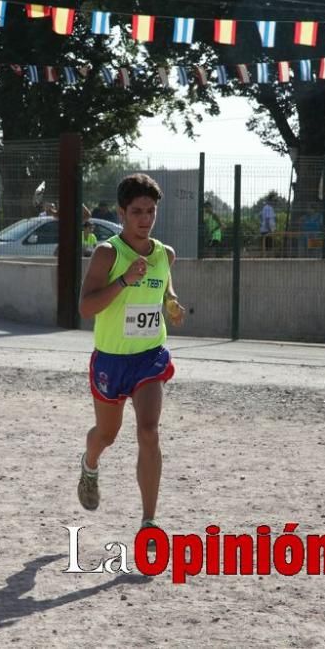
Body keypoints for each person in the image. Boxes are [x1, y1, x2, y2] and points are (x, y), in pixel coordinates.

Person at [76, 173, 187, 539]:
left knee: (149, 432)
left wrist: (172, 304)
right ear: (122, 213)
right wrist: (123, 280)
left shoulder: (164, 254)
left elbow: (165, 291)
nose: (145, 219)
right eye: (137, 211)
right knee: (107, 434)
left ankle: (148, 522)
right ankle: (90, 465)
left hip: (149, 357)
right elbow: (86, 308)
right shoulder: (108, 253)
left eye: (151, 211)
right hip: (111, 359)